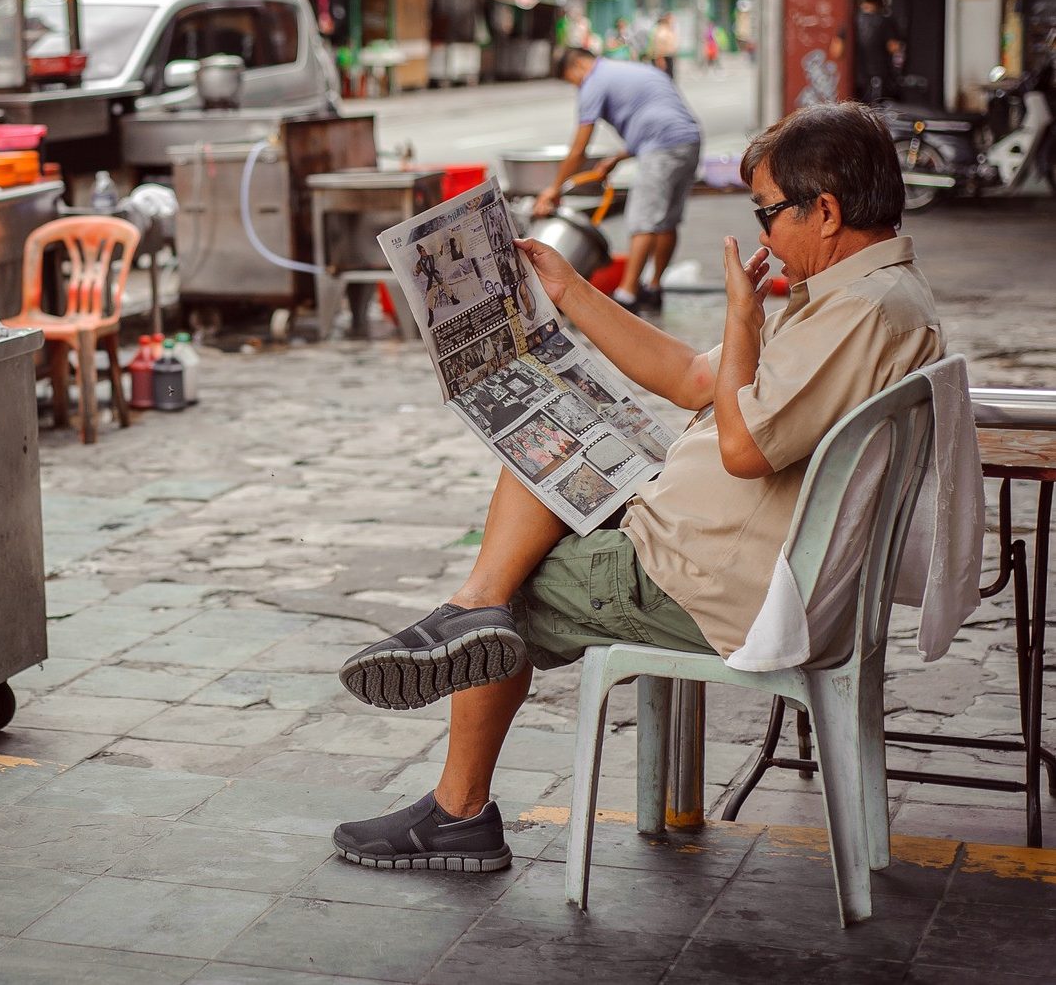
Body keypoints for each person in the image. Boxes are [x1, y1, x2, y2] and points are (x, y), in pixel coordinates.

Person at [330, 103, 940, 871]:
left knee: (511, 594)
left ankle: (457, 801)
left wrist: (743, 320)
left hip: (706, 575)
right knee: (544, 445)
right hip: (711, 539)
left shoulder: (863, 313)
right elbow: (695, 379)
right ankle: (468, 609)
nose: (761, 233)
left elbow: (744, 447)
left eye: (768, 213)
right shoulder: (863, 295)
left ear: (825, 212)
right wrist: (573, 293)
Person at [539, 46, 703, 310]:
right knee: (667, 220)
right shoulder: (627, 69)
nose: (577, 86)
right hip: (688, 140)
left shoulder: (594, 81)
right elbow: (657, 115)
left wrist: (554, 189)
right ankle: (654, 288)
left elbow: (579, 149)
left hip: (660, 147)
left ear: (577, 65)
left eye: (573, 80)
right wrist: (618, 157)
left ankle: (626, 296)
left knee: (643, 219)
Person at [855, 0, 904, 103]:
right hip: (879, 73)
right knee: (877, 109)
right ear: (880, 3)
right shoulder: (884, 21)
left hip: (857, 74)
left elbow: (837, 50)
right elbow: (893, 47)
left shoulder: (854, 19)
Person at [650, 11, 679, 77]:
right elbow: (659, 46)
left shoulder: (668, 29)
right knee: (665, 77)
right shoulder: (661, 30)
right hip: (663, 57)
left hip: (668, 56)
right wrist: (660, 59)